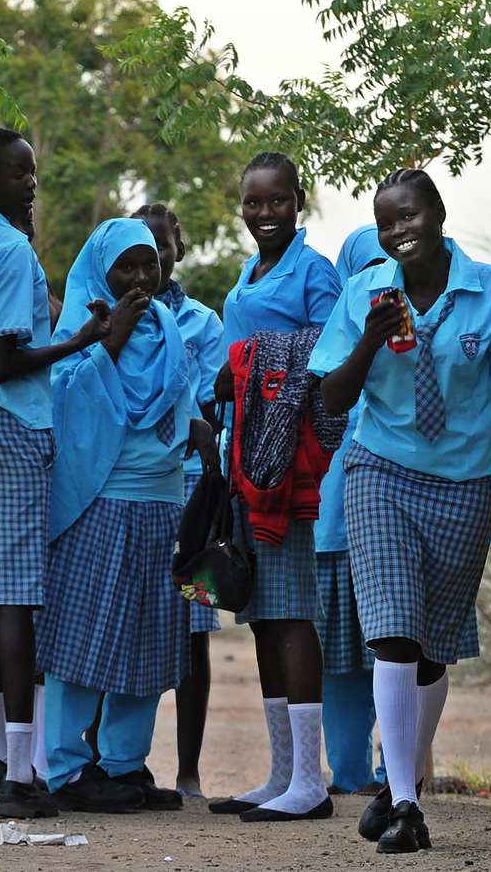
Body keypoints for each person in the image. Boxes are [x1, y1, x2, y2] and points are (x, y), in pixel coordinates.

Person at [309, 168, 491, 853]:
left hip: (466, 482)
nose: (397, 231)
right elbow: (332, 399)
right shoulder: (365, 292)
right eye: (386, 222)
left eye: (408, 216)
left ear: (438, 213)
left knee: (432, 648)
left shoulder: (490, 292)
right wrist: (368, 337)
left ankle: (398, 782)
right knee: (391, 631)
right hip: (379, 471)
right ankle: (409, 805)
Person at [0, 127, 112, 819]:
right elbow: (2, 360)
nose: (30, 185)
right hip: (8, 422)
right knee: (16, 597)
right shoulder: (10, 249)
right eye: (17, 175)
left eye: (32, 174)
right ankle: (20, 775)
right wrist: (79, 340)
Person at [38, 218, 216, 813]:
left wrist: (199, 428)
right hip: (99, 499)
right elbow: (61, 398)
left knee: (149, 634)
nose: (142, 277)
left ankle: (123, 764)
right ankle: (65, 769)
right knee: (83, 632)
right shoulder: (83, 327)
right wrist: (107, 341)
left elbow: (183, 396)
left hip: (163, 499)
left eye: (150, 264)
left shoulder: (168, 324)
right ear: (101, 272)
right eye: (127, 267)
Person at [207, 152, 342, 822]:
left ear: (299, 201)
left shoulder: (314, 272)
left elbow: (327, 352)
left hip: (284, 462)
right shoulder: (251, 271)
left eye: (277, 201)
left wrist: (247, 366)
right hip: (244, 457)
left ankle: (310, 783)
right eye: (253, 202)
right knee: (261, 614)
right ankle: (283, 772)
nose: (265, 213)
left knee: (290, 611)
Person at [136, 203, 227, 796]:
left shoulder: (205, 325)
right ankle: (113, 762)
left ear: (179, 251)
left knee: (194, 627)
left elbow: (215, 408)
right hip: (135, 491)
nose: (152, 261)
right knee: (133, 618)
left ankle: (188, 770)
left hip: (190, 496)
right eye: (139, 251)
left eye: (163, 247)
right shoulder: (115, 313)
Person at [319, 224, 384, 796]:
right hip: (333, 530)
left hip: (401, 523)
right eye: (368, 270)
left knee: (402, 647)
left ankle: (400, 771)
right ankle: (352, 772)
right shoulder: (335, 347)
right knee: (341, 659)